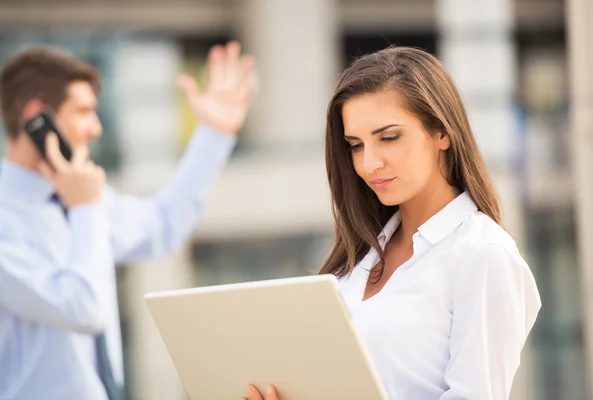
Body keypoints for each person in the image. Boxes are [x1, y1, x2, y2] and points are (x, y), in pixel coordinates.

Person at [245, 47, 541, 400]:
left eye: (388, 138)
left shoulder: (483, 255)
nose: (369, 164)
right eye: (355, 145)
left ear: (442, 133)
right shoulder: (358, 257)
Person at [0, 42, 254, 399]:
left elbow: (164, 225)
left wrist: (215, 133)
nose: (96, 128)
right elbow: (83, 308)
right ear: (36, 116)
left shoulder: (83, 199)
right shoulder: (39, 214)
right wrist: (84, 210)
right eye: (85, 111)